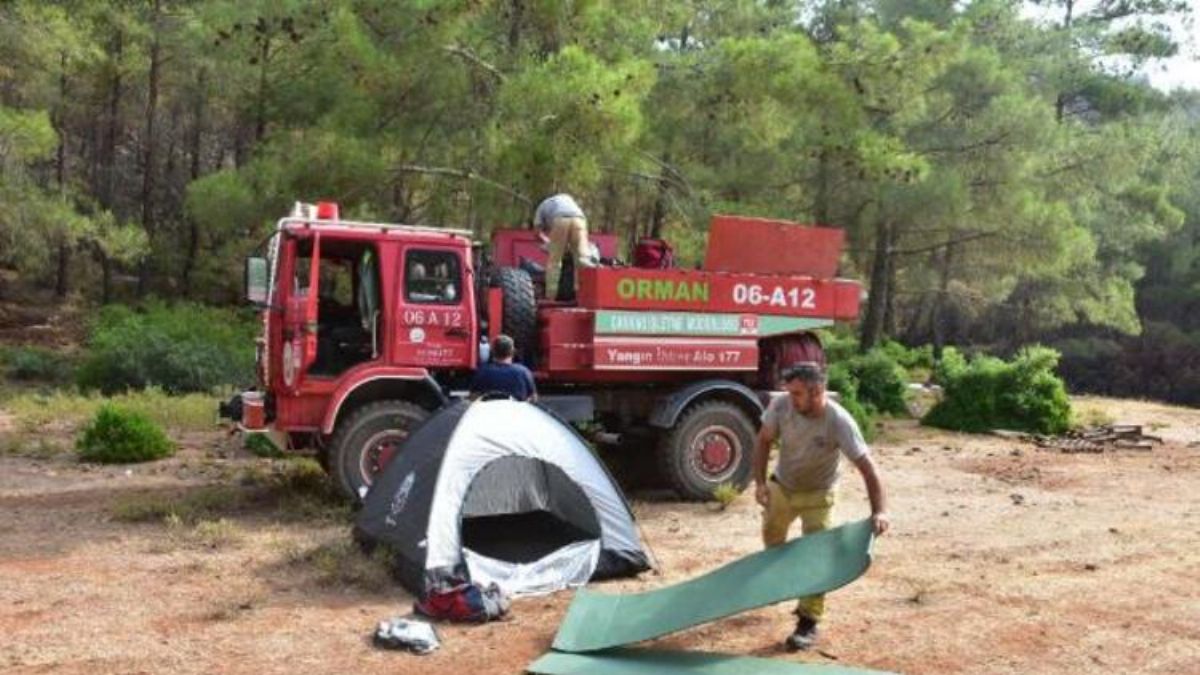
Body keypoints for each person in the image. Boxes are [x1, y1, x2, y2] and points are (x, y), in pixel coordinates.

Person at [753, 362, 889, 652]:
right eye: (789, 392)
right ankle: (778, 584)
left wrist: (879, 511)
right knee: (772, 541)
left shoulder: (839, 421)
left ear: (817, 392)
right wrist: (761, 483)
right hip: (783, 487)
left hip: (819, 494)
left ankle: (808, 621)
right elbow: (763, 440)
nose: (791, 398)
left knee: (817, 555)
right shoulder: (781, 405)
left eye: (797, 393)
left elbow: (868, 468)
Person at [534, 193, 596, 301]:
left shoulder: (542, 206)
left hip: (560, 220)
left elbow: (537, 233)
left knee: (555, 261)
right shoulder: (568, 200)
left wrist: (548, 242)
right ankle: (581, 296)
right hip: (580, 220)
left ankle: (550, 296)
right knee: (581, 261)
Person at [468, 335, 538, 401]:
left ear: (493, 351)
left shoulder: (482, 372)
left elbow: (473, 397)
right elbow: (533, 398)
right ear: (512, 352)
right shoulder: (523, 372)